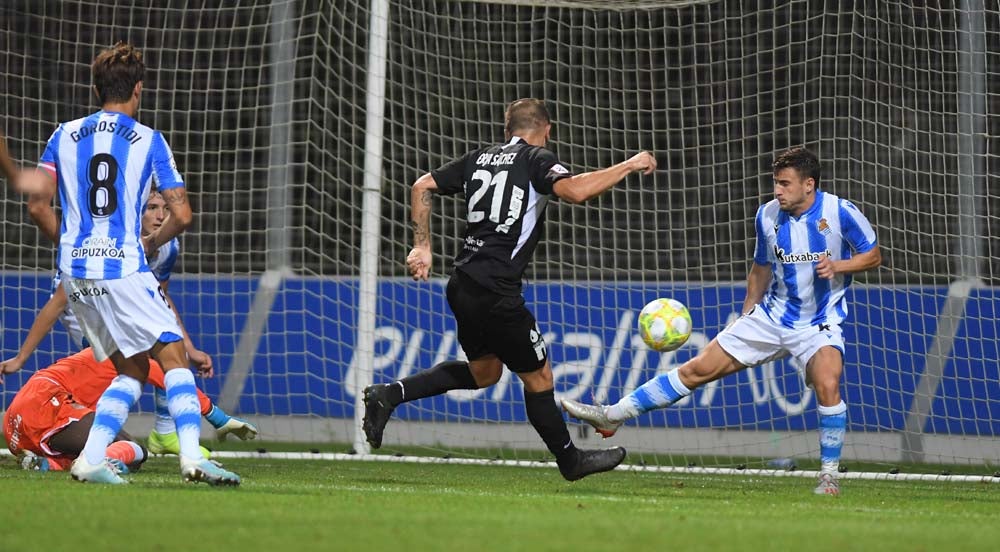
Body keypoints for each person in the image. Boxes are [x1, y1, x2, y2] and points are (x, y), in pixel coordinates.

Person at [362, 98, 657, 481]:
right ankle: (570, 461)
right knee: (540, 379)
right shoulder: (537, 158)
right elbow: (575, 192)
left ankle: (390, 393)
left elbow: (422, 185)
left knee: (485, 373)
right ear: (546, 129)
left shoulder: (479, 158)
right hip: (497, 291)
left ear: (507, 129)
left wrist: (422, 245)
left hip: (463, 284)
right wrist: (630, 164)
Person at [561, 146, 881, 495]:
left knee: (828, 383)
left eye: (785, 184)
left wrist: (840, 266)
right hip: (771, 317)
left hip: (819, 321)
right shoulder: (767, 216)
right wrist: (746, 316)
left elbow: (873, 255)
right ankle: (612, 415)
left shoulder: (840, 212)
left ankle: (829, 477)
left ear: (809, 185)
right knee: (696, 370)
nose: (778, 190)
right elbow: (760, 270)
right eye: (776, 183)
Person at [7, 42, 239, 485]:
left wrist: (73, 244)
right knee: (175, 360)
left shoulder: (63, 133)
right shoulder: (150, 140)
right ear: (138, 89)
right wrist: (153, 239)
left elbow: (37, 205)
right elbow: (183, 214)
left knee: (130, 368)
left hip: (77, 273)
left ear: (96, 89)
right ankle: (192, 457)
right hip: (123, 265)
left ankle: (91, 459)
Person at [3, 348, 254, 473]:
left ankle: (44, 464)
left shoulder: (95, 353)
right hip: (50, 408)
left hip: (15, 425)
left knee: (108, 445)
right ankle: (90, 465)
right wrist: (219, 418)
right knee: (135, 451)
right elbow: (173, 381)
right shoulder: (130, 356)